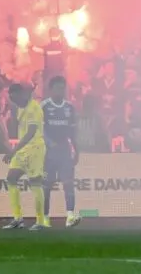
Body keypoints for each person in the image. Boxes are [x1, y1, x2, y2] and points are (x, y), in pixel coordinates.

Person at [2, 82, 48, 231]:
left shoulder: (34, 108)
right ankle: (18, 219)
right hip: (23, 150)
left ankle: (40, 221)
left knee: (35, 182)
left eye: (14, 97)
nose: (13, 101)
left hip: (35, 148)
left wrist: (13, 151)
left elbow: (31, 132)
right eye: (11, 98)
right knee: (11, 178)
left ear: (22, 94)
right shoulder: (20, 107)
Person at [42, 75, 81, 227]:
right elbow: (41, 130)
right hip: (49, 153)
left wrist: (76, 150)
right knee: (46, 185)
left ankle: (70, 216)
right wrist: (50, 144)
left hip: (65, 151)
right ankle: (45, 218)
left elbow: (73, 132)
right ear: (51, 90)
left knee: (68, 184)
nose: (61, 91)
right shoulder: (44, 106)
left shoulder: (69, 107)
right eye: (58, 88)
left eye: (63, 88)